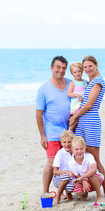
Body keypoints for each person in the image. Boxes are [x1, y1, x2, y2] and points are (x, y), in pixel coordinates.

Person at [69, 55, 105, 198]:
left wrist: (74, 116)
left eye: (90, 66)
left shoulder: (98, 81)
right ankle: (81, 187)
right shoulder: (89, 81)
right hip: (82, 122)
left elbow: (89, 104)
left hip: (91, 122)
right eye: (85, 67)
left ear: (96, 64)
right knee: (80, 154)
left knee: (94, 158)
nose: (87, 69)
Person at [36, 56, 71, 194]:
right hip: (52, 131)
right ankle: (45, 192)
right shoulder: (43, 89)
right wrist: (42, 136)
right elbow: (38, 114)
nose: (60, 70)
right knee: (51, 163)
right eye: (58, 67)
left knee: (67, 162)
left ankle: (66, 192)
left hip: (69, 131)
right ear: (51, 68)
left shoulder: (70, 83)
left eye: (63, 68)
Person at [68, 136, 104, 202]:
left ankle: (99, 195)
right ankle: (84, 194)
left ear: (85, 149)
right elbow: (77, 175)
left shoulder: (89, 156)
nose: (79, 151)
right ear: (72, 150)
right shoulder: (71, 162)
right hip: (82, 180)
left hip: (96, 179)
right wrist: (83, 180)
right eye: (76, 149)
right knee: (78, 192)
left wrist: (82, 178)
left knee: (91, 175)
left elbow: (94, 170)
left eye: (81, 149)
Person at [52, 130, 76, 205]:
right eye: (64, 142)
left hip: (71, 177)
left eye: (69, 142)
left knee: (72, 186)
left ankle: (69, 193)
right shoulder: (60, 153)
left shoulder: (76, 152)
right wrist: (66, 172)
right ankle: (58, 196)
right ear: (61, 143)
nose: (67, 144)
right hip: (59, 179)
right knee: (65, 176)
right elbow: (55, 171)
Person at [67, 62, 88, 131]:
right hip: (75, 104)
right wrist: (76, 95)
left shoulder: (85, 82)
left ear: (82, 71)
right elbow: (69, 93)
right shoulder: (73, 82)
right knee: (75, 120)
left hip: (83, 104)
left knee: (81, 119)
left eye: (79, 71)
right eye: (75, 72)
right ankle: (69, 132)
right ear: (72, 73)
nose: (77, 73)